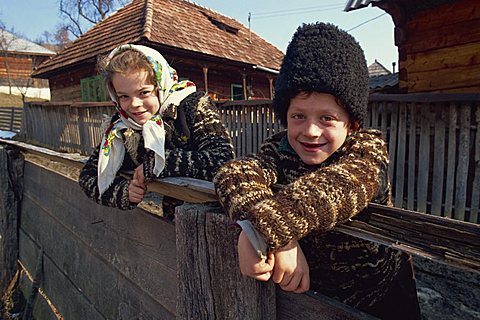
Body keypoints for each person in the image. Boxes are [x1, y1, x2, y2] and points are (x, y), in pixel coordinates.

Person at [213, 23, 421, 319]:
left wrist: (262, 231)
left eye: (327, 118)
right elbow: (233, 174)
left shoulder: (366, 154)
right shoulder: (279, 150)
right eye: (299, 116)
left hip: (381, 297)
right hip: (312, 299)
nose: (311, 131)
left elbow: (337, 187)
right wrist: (272, 235)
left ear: (352, 123)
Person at [79, 44, 234, 217]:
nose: (134, 104)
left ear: (160, 85)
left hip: (217, 216)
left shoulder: (193, 106)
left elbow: (223, 160)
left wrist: (159, 163)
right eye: (124, 96)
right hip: (172, 220)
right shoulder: (121, 128)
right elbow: (87, 176)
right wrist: (122, 193)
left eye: (144, 92)